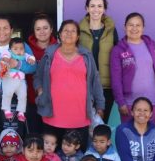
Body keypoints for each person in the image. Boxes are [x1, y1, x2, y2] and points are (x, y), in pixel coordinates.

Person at [34, 20, 105, 151]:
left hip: (80, 116)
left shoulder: (86, 56)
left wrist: (100, 106)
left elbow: (95, 81)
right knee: (52, 156)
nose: (69, 33)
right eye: (66, 30)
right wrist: (40, 92)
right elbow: (38, 76)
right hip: (52, 115)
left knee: (78, 156)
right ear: (60, 34)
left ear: (77, 36)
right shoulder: (50, 54)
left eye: (73, 31)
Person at [110, 12, 155, 125]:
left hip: (153, 101)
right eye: (130, 25)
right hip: (129, 104)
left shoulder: (152, 46)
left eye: (138, 25)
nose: (134, 28)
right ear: (125, 27)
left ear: (143, 28)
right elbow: (115, 79)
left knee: (153, 134)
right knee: (130, 135)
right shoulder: (118, 50)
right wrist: (121, 102)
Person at [79, 0, 119, 122]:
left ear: (104, 9)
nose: (96, 9)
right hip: (84, 85)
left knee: (102, 125)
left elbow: (117, 57)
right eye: (92, 6)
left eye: (100, 6)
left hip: (106, 86)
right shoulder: (78, 30)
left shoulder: (111, 30)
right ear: (87, 8)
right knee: (84, 123)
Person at [25, 13, 58, 133]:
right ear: (34, 31)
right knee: (35, 137)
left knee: (51, 137)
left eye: (45, 28)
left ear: (51, 29)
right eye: (38, 29)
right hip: (31, 101)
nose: (42, 32)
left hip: (54, 102)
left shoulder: (59, 49)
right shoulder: (26, 49)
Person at [0, 37, 36, 122]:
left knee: (23, 96)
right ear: (11, 49)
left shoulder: (25, 55)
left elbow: (31, 57)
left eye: (21, 49)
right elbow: (4, 56)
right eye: (15, 49)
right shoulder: (9, 53)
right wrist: (5, 58)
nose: (19, 51)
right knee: (7, 94)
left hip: (21, 80)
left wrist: (31, 59)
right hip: (9, 78)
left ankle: (21, 112)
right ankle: (6, 109)